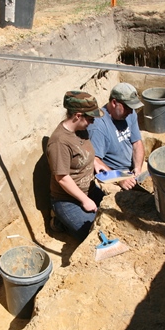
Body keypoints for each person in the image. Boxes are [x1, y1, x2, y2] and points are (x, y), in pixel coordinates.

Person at [46, 91, 105, 241]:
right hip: (67, 199)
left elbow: (84, 153)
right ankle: (60, 222)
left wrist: (95, 164)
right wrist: (85, 201)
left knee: (112, 216)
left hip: (89, 189)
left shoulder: (81, 130)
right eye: (90, 119)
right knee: (92, 235)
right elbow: (62, 178)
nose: (92, 122)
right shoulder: (59, 142)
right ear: (78, 116)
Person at [88, 82, 145, 191]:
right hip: (112, 174)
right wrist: (119, 178)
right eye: (127, 107)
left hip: (130, 170)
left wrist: (137, 168)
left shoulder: (130, 114)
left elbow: (137, 143)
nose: (131, 111)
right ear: (114, 103)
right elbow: (94, 160)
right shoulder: (98, 126)